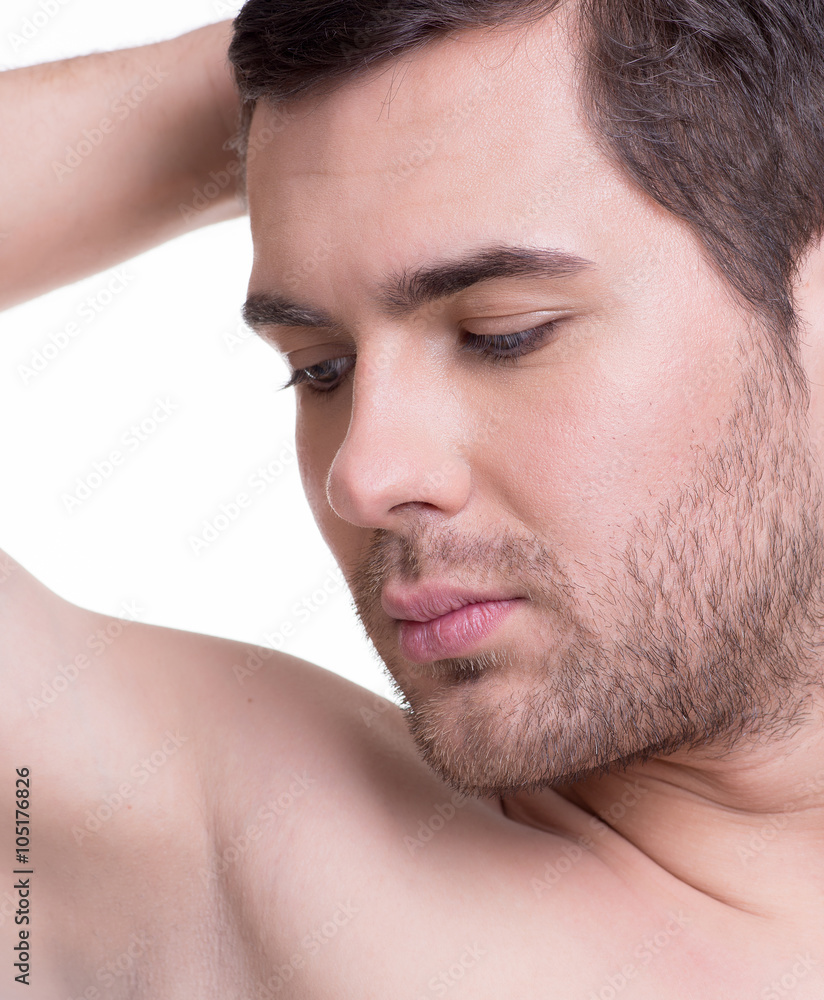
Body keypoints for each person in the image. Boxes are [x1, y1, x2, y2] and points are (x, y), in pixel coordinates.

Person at [3, 1, 824, 996]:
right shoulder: (246, 849)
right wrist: (244, 83)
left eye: (502, 334)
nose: (362, 474)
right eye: (319, 370)